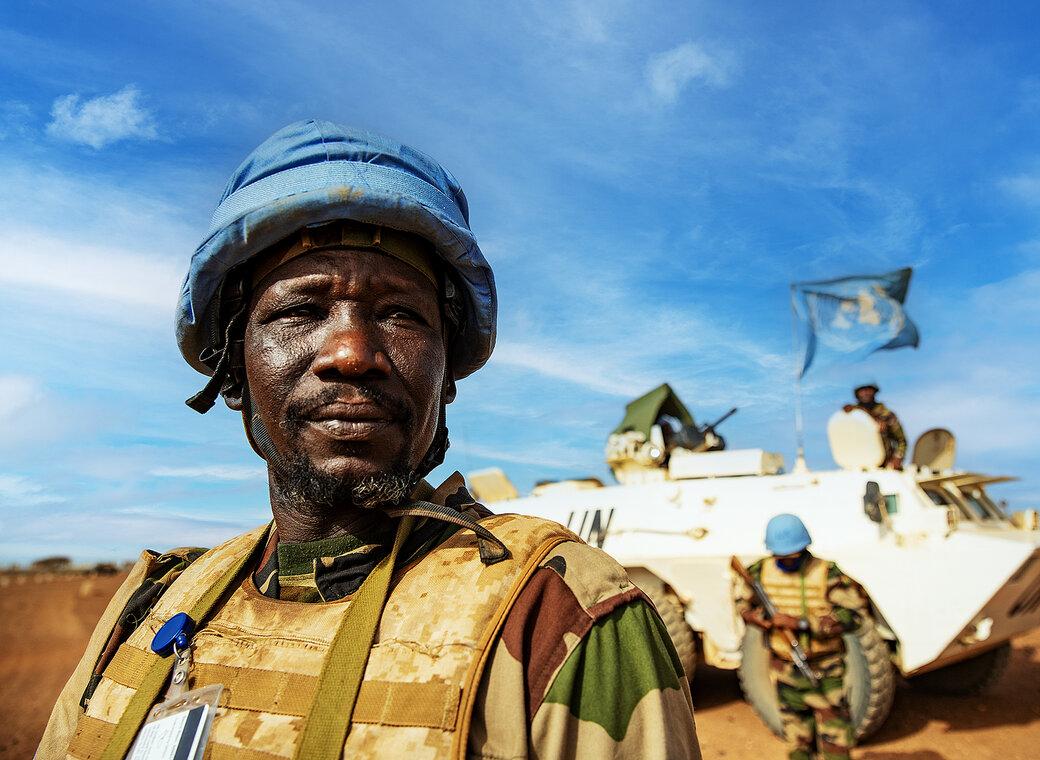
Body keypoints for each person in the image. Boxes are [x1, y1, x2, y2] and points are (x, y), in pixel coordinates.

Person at [37, 120, 700, 760]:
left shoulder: (554, 617)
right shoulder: (152, 607)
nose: (353, 353)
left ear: (445, 378)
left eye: (400, 313)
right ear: (233, 373)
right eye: (300, 310)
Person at [739, 514, 869, 760]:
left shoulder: (827, 573)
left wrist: (801, 623)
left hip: (825, 671)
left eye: (793, 555)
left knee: (836, 744)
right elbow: (742, 602)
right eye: (781, 556)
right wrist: (753, 617)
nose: (787, 561)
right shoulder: (759, 572)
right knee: (797, 743)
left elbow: (854, 616)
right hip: (785, 671)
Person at [842, 383, 906, 469]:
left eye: (868, 390)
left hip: (884, 465)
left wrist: (898, 457)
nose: (865, 393)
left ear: (874, 392)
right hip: (857, 464)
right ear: (857, 394)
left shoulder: (887, 414)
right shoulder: (852, 413)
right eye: (862, 390)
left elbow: (901, 440)